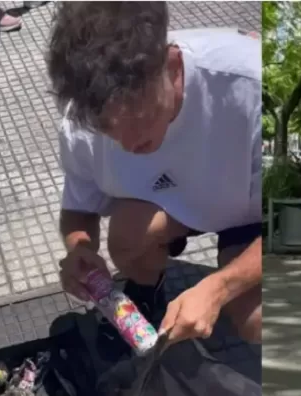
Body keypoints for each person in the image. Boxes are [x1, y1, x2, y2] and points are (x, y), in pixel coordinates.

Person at [46, 2, 262, 359]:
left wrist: (220, 288)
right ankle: (148, 291)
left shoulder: (250, 87)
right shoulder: (81, 120)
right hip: (182, 201)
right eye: (108, 130)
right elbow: (78, 209)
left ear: (173, 68)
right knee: (128, 234)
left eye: (141, 118)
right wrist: (80, 249)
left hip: (255, 212)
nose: (130, 146)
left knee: (256, 321)